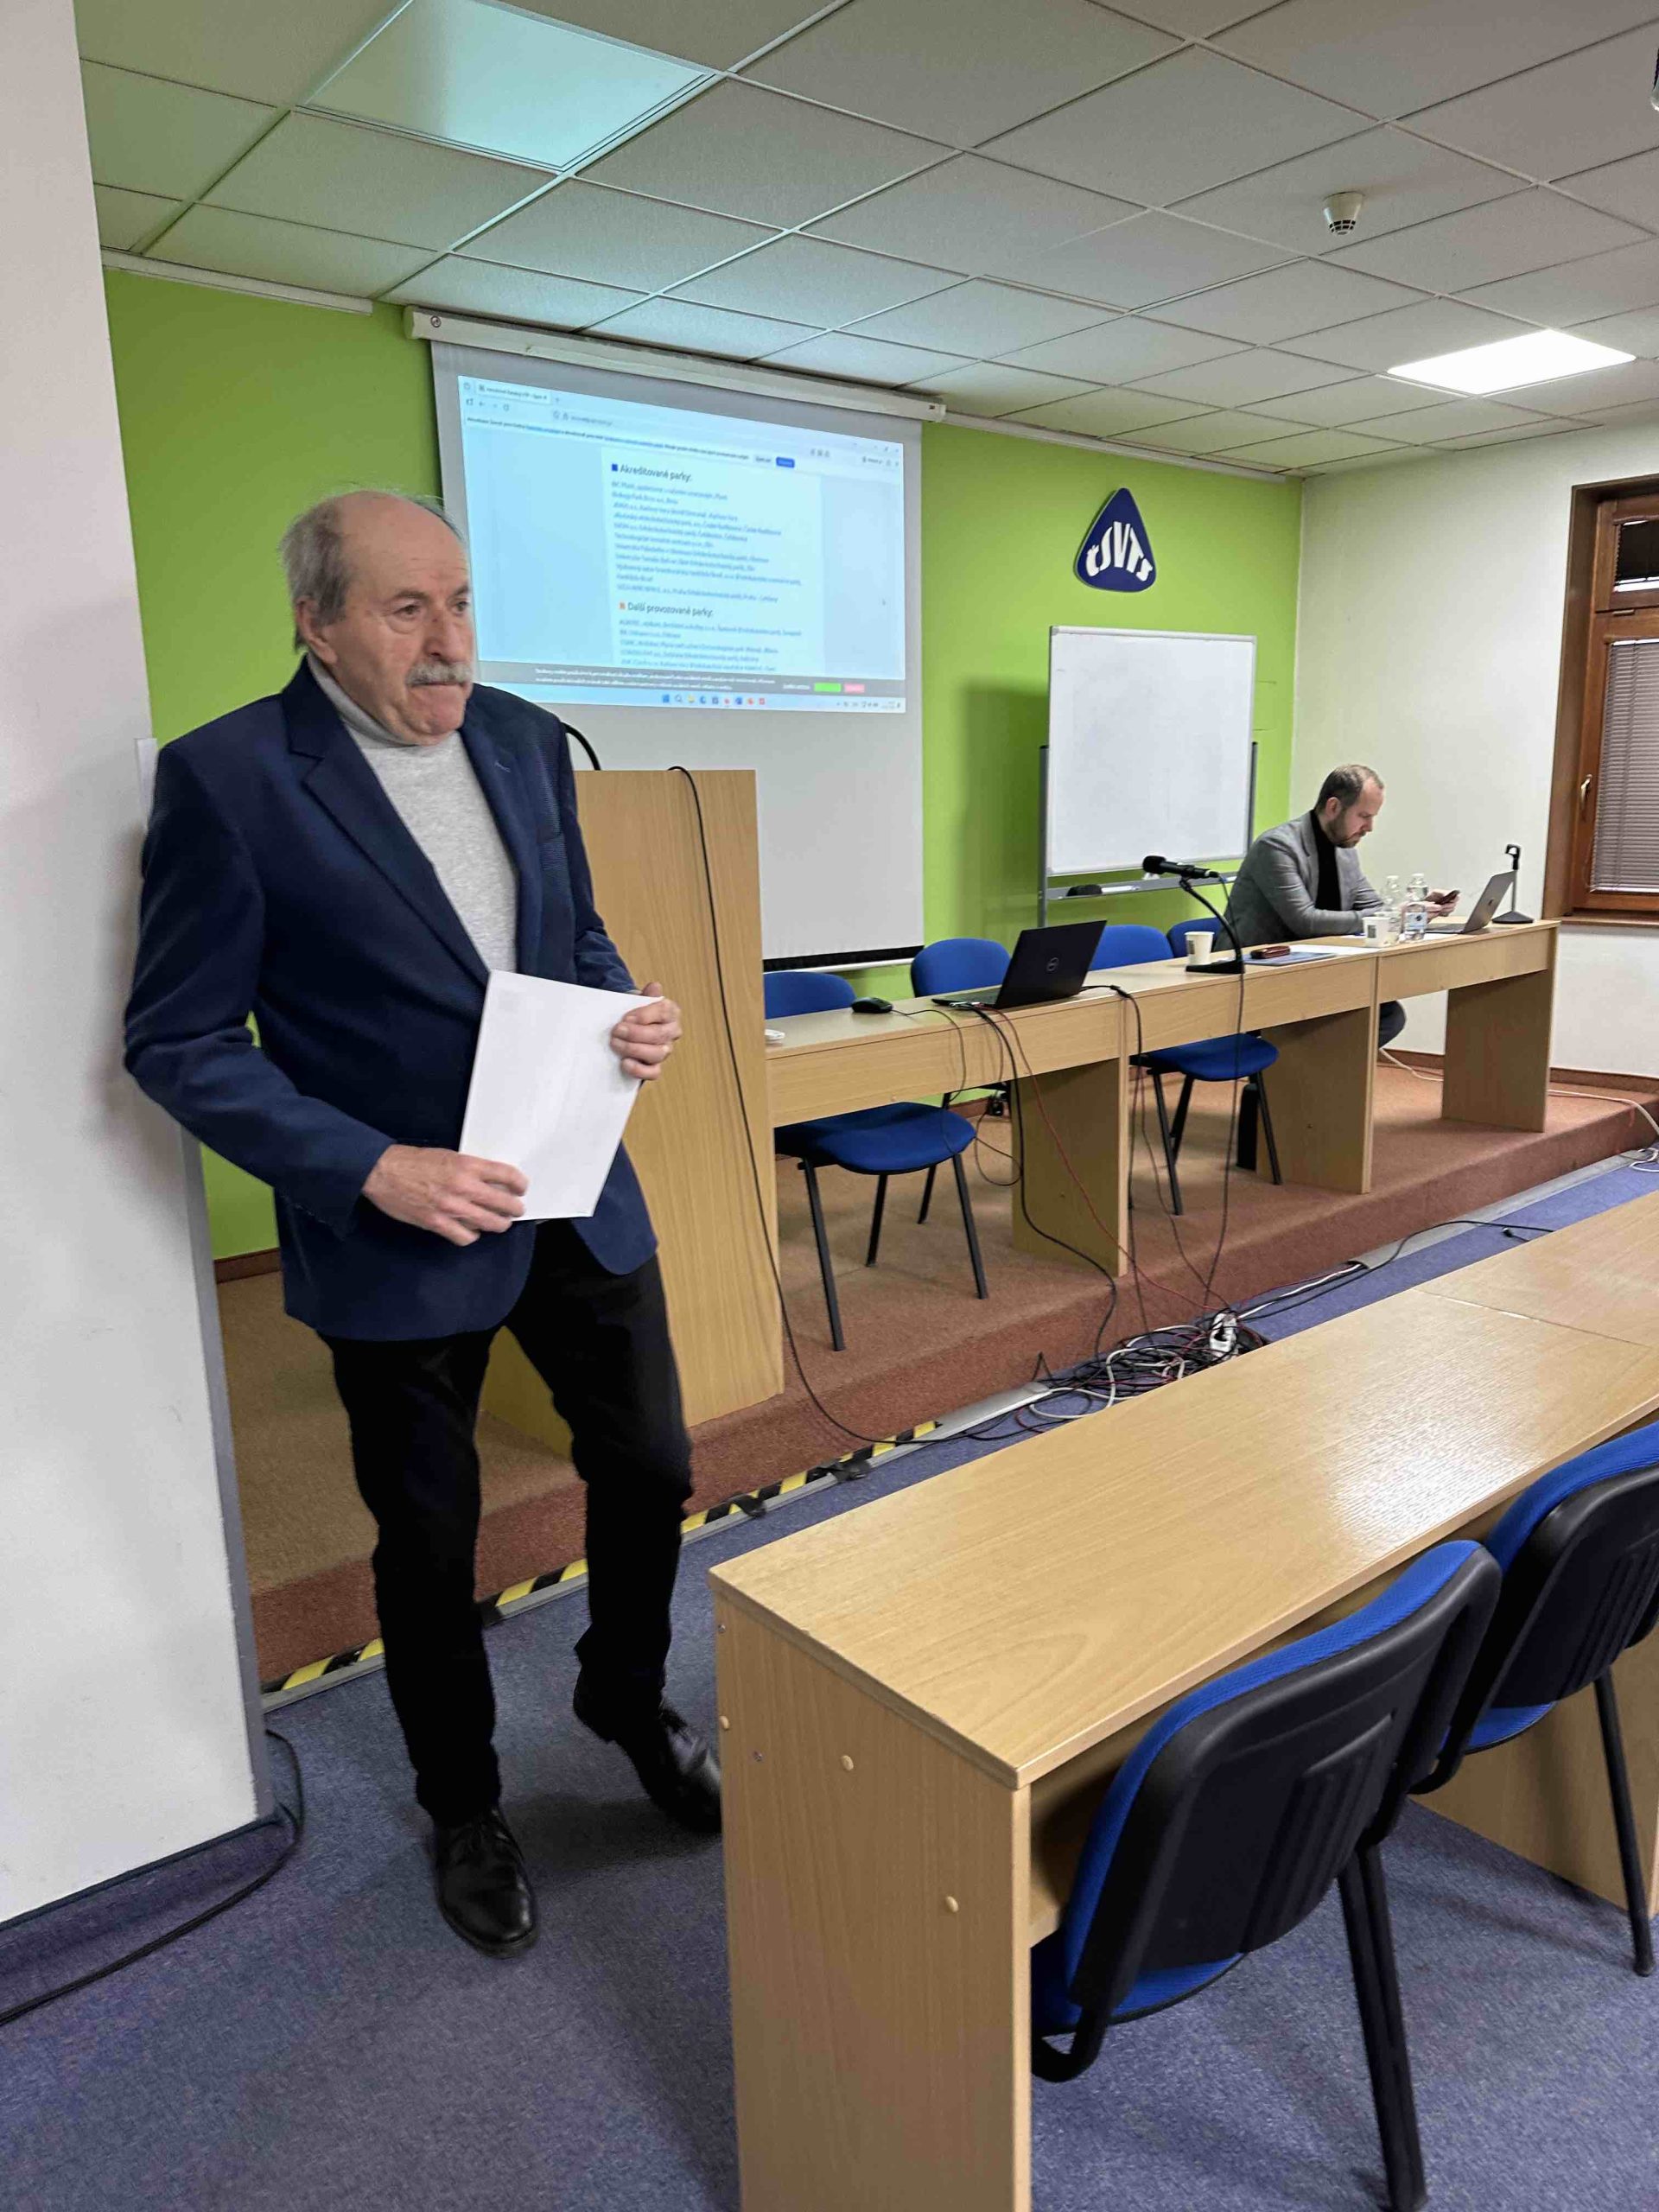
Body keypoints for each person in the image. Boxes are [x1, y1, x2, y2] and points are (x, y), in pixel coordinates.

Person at [124, 489, 719, 1961]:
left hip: (573, 1188)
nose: (449, 640)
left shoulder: (519, 735)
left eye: (459, 603)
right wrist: (369, 1168)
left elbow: (569, 933)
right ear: (317, 624)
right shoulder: (228, 779)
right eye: (407, 610)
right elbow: (180, 1040)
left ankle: (622, 1693)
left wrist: (624, 1007)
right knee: (431, 1538)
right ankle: (465, 1805)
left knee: (652, 1466)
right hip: (396, 1231)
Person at [1223, 764, 1453, 1050]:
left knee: (1387, 1015)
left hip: (1314, 969)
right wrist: (1394, 915)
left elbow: (1375, 907)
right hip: (1259, 972)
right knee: (1374, 1016)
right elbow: (1306, 921)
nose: (1370, 828)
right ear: (1333, 807)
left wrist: (1419, 906)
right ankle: (1288, 1076)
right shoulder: (1278, 847)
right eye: (1364, 816)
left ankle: (1311, 1075)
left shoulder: (1346, 851)